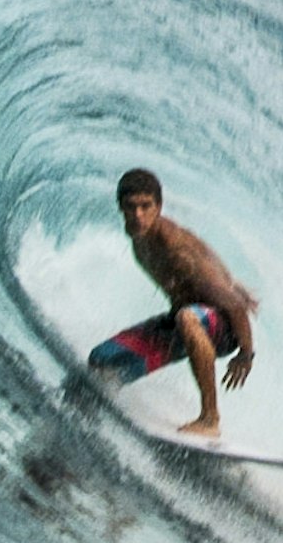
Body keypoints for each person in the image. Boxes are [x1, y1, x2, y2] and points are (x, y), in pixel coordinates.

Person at [85, 169, 257, 438]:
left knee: (187, 318)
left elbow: (234, 305)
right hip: (184, 324)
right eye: (131, 207)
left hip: (224, 329)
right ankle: (93, 417)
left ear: (159, 207)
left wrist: (246, 355)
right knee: (100, 361)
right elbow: (208, 258)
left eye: (146, 206)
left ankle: (210, 419)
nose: (138, 215)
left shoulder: (175, 247)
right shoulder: (140, 241)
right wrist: (230, 280)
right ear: (120, 206)